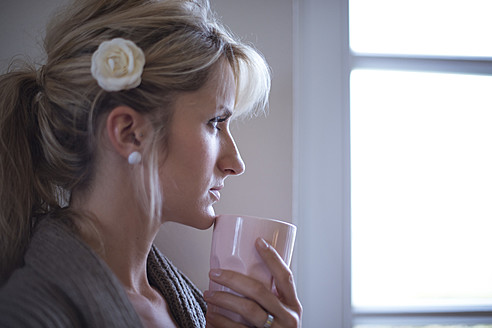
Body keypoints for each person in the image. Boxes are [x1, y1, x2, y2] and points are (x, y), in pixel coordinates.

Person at [0, 0, 302, 327]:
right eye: (215, 123)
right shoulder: (30, 315)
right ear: (129, 132)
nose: (236, 163)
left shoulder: (187, 307)